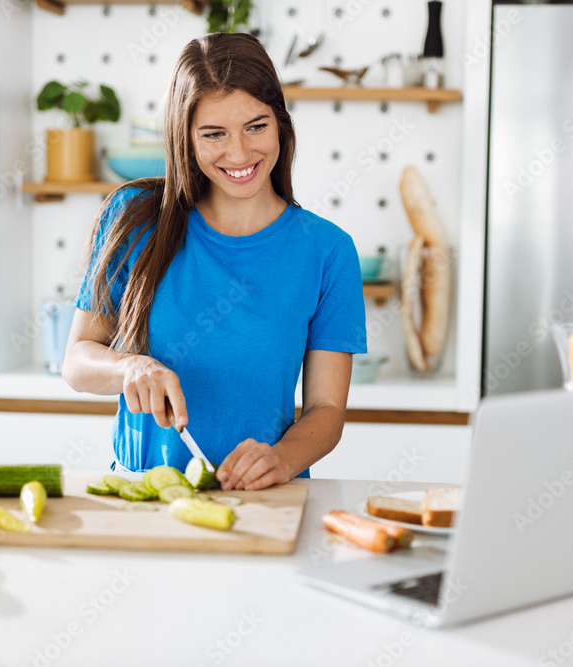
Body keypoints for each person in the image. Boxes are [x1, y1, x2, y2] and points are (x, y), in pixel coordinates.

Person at [62, 33, 366, 492]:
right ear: (184, 137)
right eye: (213, 134)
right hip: (145, 498)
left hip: (268, 497)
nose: (240, 154)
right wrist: (130, 368)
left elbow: (327, 410)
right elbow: (77, 362)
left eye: (256, 126)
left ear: (281, 124)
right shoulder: (132, 217)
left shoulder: (327, 251)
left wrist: (281, 460)